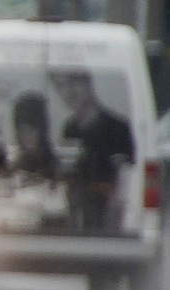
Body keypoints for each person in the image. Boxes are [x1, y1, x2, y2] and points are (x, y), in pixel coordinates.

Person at [54, 69, 133, 230]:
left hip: (108, 220)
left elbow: (126, 179)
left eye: (74, 82)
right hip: (76, 219)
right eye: (61, 86)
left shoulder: (117, 128)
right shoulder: (70, 129)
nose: (69, 91)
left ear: (88, 82)